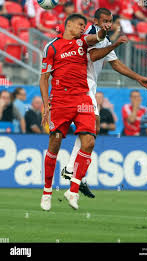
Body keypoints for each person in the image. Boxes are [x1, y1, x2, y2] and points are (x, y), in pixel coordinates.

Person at [61, 8, 147, 199]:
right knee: (89, 129)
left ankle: (72, 170)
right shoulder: (89, 33)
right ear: (95, 20)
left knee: (90, 130)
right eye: (104, 20)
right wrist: (115, 44)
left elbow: (116, 64)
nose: (108, 24)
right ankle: (72, 170)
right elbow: (93, 56)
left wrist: (138, 78)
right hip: (81, 83)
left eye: (110, 21)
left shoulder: (104, 40)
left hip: (89, 85)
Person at [40, 13, 111, 211]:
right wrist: (46, 105)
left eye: (85, 25)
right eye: (80, 25)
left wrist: (104, 30)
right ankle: (47, 191)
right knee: (54, 143)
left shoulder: (83, 43)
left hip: (82, 98)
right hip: (61, 99)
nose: (83, 28)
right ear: (68, 24)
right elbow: (44, 78)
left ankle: (73, 190)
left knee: (89, 141)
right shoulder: (52, 47)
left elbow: (96, 38)